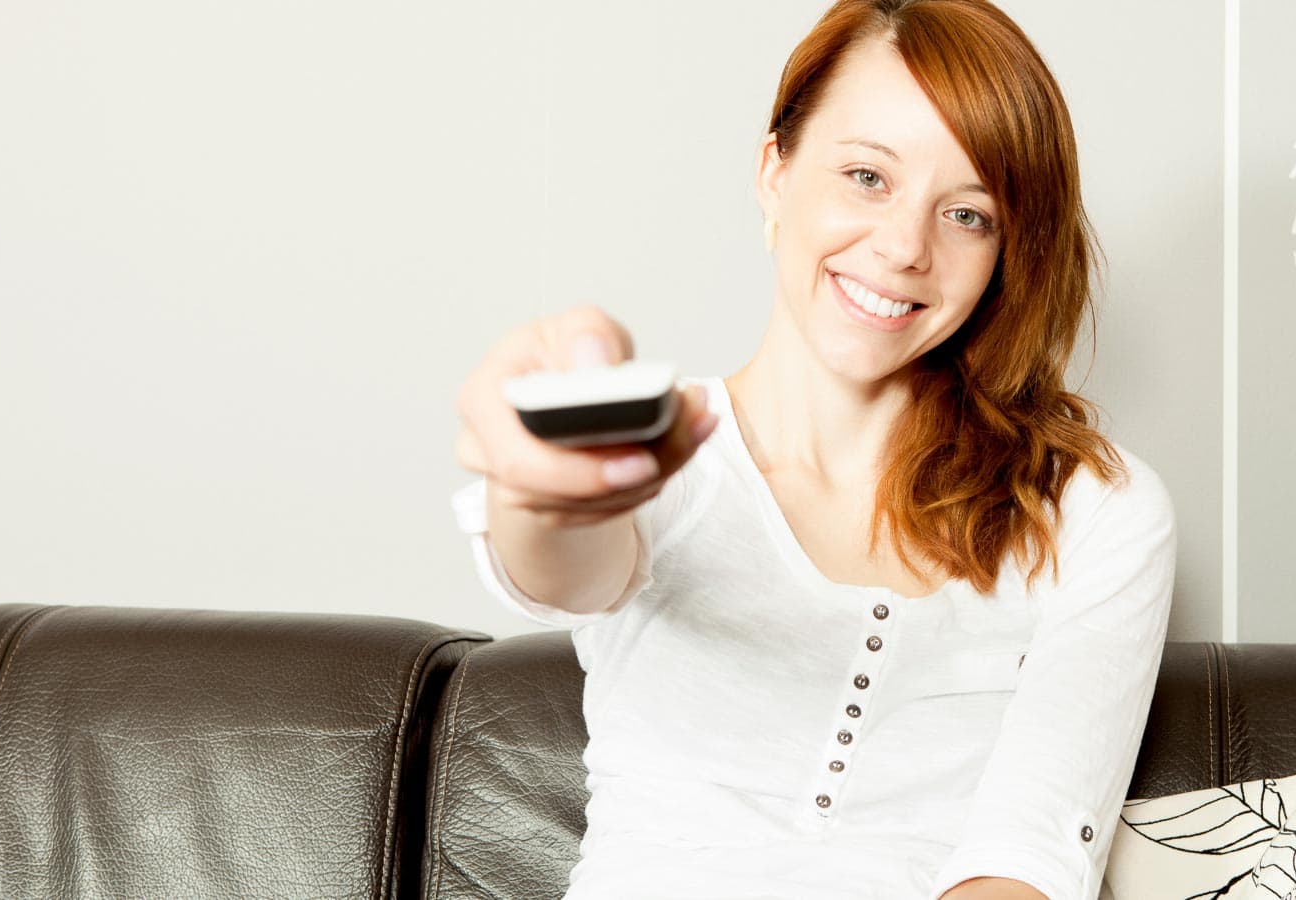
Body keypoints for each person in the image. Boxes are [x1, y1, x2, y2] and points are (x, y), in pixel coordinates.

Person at [451, 1, 1176, 898]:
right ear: (774, 172)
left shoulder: (1098, 512)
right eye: (868, 176)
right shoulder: (663, 457)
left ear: (1006, 253)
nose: (904, 247)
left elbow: (1025, 865)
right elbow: (558, 563)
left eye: (968, 215)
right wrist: (542, 489)